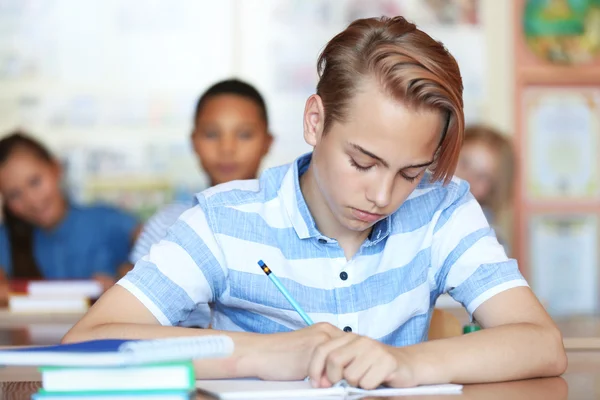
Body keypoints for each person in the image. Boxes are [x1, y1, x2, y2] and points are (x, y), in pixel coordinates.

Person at [64, 16, 566, 389]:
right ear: (314, 123)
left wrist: (408, 363)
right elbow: (87, 342)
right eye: (363, 161)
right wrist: (261, 354)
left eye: (410, 172)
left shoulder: (443, 208)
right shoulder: (224, 219)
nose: (383, 195)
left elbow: (541, 343)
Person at [124, 79, 273, 273]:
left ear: (267, 142)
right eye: (212, 134)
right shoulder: (167, 224)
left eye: (244, 135)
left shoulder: (288, 223)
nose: (226, 149)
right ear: (193, 142)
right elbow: (137, 294)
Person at [0, 132, 140, 305]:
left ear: (56, 168)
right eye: (14, 195)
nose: (32, 201)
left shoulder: (107, 222)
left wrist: (126, 282)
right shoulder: (6, 242)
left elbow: (154, 248)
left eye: (35, 182)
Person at [454, 125, 515, 254]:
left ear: (492, 190)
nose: (467, 180)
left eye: (482, 176)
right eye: (464, 163)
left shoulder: (490, 240)